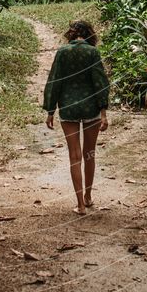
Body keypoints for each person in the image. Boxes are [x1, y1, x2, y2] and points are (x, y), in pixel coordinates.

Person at [43, 20, 110, 215]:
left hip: (69, 108)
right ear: (89, 33)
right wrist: (103, 112)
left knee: (75, 157)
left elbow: (54, 81)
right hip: (91, 109)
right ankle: (89, 196)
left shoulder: (63, 52)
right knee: (89, 154)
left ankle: (80, 204)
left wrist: (50, 111)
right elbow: (100, 83)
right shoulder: (92, 52)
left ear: (71, 34)